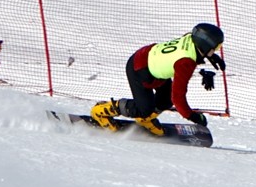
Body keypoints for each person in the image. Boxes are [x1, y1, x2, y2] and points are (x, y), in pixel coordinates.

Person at [90, 23, 226, 136]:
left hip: (152, 62)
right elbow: (178, 98)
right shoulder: (186, 62)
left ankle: (145, 120)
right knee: (144, 109)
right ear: (205, 45)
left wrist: (210, 56)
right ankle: (101, 111)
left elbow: (190, 48)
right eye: (216, 48)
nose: (216, 50)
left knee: (165, 100)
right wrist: (194, 116)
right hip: (139, 69)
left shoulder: (190, 38)